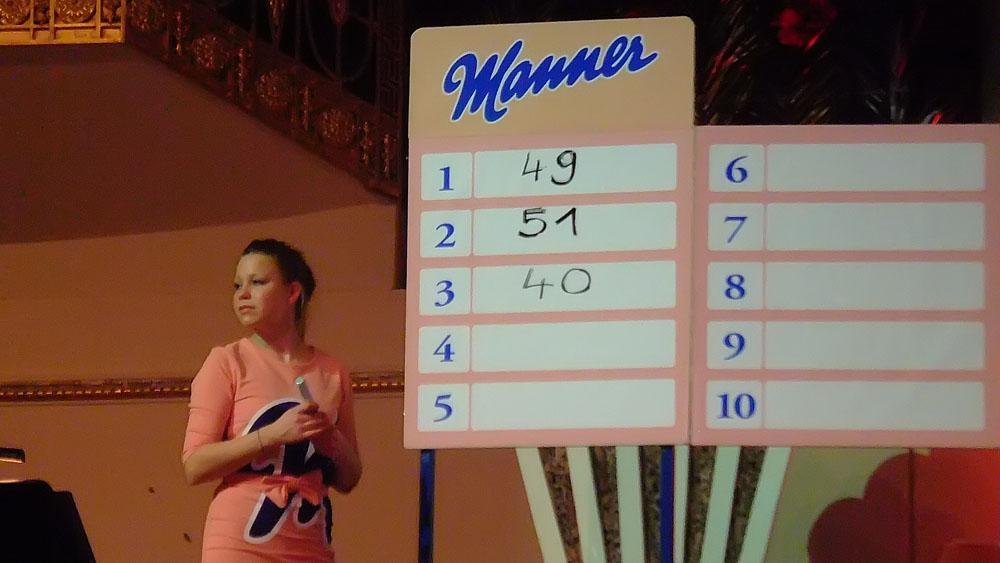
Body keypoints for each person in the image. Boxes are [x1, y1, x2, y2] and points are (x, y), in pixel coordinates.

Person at [182, 239, 362, 562]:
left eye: (257, 282)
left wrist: (329, 438)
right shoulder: (227, 361)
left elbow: (350, 478)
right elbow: (194, 464)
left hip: (309, 539)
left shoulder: (332, 371)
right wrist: (272, 435)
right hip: (239, 540)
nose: (243, 294)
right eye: (237, 285)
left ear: (292, 292)